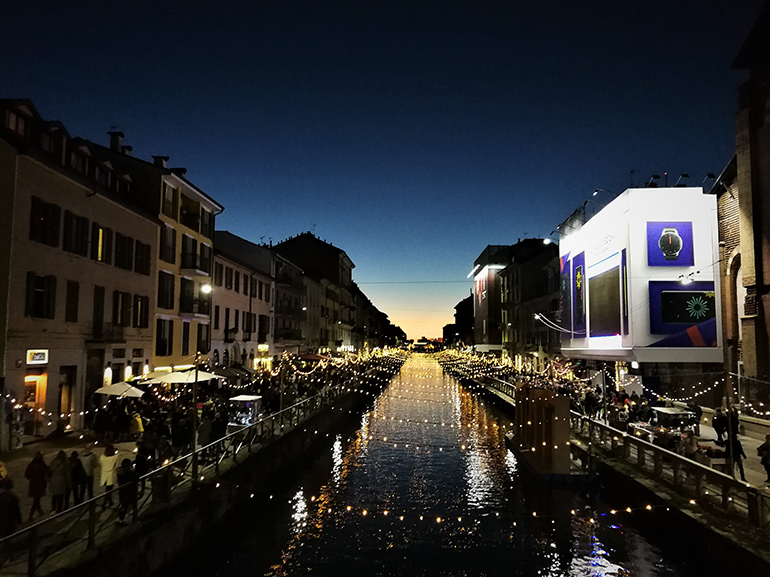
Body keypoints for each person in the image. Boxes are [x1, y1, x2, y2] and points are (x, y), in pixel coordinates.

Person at [24, 452, 49, 521]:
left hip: (33, 484)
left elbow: (26, 475)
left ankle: (40, 511)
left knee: (37, 499)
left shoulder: (31, 465)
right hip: (40, 484)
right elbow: (48, 470)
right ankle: (31, 516)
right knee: (36, 500)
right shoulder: (41, 465)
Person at [116, 459, 137, 525]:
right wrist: (134, 471)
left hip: (122, 491)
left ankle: (121, 519)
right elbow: (135, 479)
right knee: (130, 505)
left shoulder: (120, 473)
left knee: (123, 505)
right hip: (129, 491)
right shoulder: (129, 473)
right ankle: (132, 519)